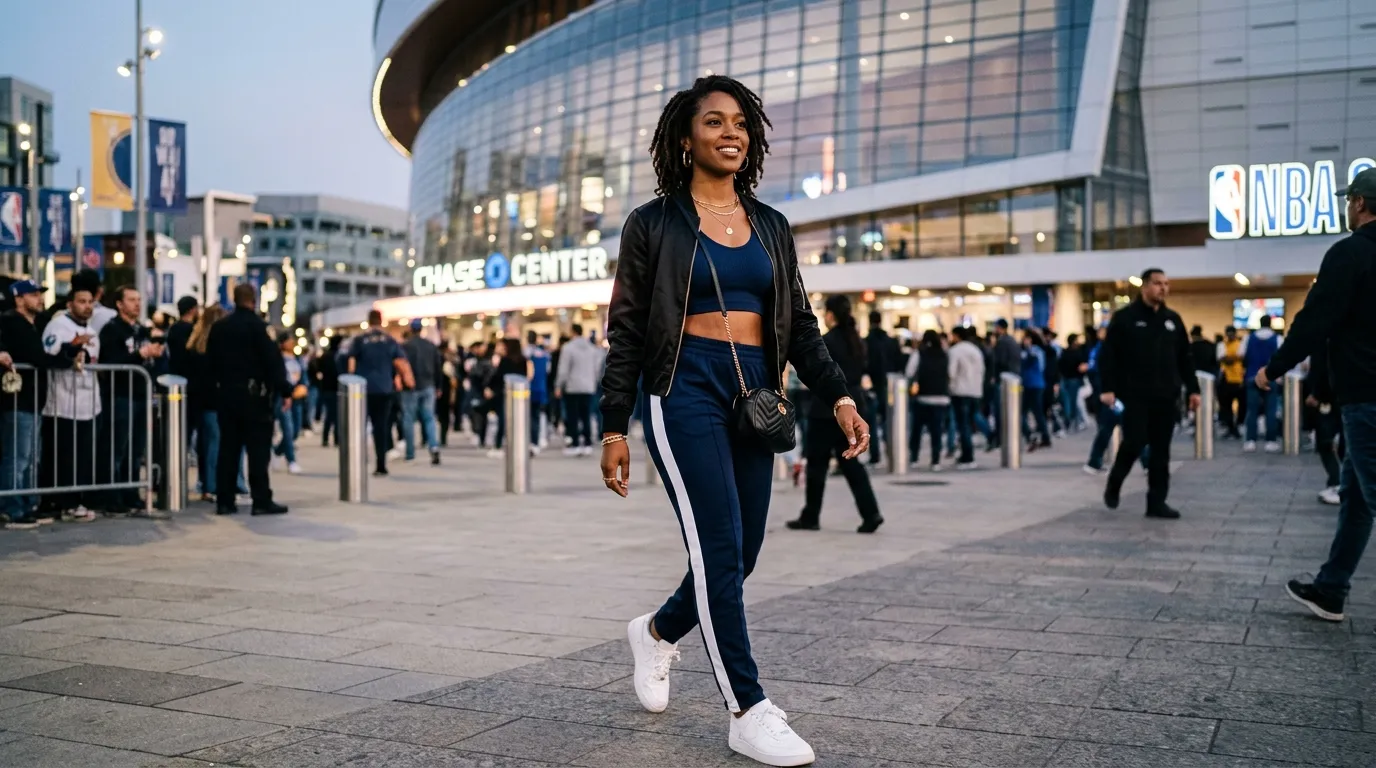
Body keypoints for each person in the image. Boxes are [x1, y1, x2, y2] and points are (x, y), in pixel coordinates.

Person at [597, 75, 866, 766]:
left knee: (742, 554)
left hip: (756, 392)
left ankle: (657, 632)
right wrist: (614, 425)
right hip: (682, 384)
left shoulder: (771, 226)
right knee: (719, 547)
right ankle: (747, 708)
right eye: (714, 122)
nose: (731, 133)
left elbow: (800, 324)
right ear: (685, 140)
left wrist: (837, 393)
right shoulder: (653, 224)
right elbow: (626, 332)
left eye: (741, 122)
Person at [1259, 167, 1376, 623]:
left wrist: (1275, 367)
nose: (1348, 207)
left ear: (1361, 203)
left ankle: (1332, 586)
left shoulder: (1350, 253)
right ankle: (1331, 588)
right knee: (1357, 495)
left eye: (1351, 200)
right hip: (1362, 394)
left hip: (1367, 393)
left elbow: (1316, 320)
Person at [1098, 268, 1201, 519]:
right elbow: (1108, 356)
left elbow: (1185, 358)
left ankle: (1156, 502)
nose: (1163, 288)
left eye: (1166, 283)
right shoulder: (1125, 318)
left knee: (1160, 450)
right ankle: (1115, 482)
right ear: (1144, 286)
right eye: (1157, 283)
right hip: (1135, 395)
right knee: (1134, 441)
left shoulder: (1173, 320)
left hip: (1166, 396)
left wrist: (1193, 389)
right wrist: (1108, 388)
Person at [791, 295, 884, 529]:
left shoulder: (827, 342)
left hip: (825, 409)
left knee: (817, 465)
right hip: (854, 407)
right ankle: (871, 513)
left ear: (830, 314)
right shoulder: (857, 341)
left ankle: (811, 515)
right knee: (852, 464)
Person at [208, 284, 289, 516]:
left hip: (227, 396)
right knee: (258, 451)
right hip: (255, 398)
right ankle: (261, 500)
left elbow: (211, 363)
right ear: (254, 300)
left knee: (228, 449)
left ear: (234, 299)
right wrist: (285, 390)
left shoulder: (219, 328)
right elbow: (273, 363)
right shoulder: (260, 328)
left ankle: (225, 500)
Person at [0, 280, 75, 528]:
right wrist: (65, 358)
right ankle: (12, 508)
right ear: (19, 299)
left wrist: (67, 352)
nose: (39, 299)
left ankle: (27, 503)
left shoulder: (37, 324)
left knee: (31, 456)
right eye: (33, 295)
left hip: (34, 399)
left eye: (40, 294)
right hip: (17, 399)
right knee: (18, 456)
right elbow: (37, 356)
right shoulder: (11, 322)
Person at [97, 286, 165, 516]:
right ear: (119, 303)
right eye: (131, 300)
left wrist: (154, 353)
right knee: (117, 447)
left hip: (141, 395)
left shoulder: (141, 330)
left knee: (136, 449)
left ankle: (130, 492)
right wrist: (141, 354)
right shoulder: (112, 330)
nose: (137, 304)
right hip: (120, 395)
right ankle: (112, 495)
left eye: (139, 299)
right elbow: (113, 360)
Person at [40, 285, 101, 522]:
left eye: (90, 302)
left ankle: (77, 499)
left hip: (88, 403)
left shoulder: (93, 330)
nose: (87, 306)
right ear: (70, 304)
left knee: (83, 456)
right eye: (81, 301)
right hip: (63, 403)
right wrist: (72, 346)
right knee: (61, 456)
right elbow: (51, 355)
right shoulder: (58, 326)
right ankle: (58, 501)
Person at [184, 305, 244, 502]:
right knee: (216, 445)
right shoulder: (217, 346)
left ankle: (207, 484)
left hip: (201, 401)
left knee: (207, 444)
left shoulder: (195, 345)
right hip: (216, 401)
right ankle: (214, 485)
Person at [348, 310, 414, 476]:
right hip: (384, 389)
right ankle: (381, 465)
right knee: (381, 427)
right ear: (381, 321)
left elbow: (351, 363)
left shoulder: (360, 340)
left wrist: (352, 379)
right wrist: (408, 381)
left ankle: (359, 460)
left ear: (368, 321)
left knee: (359, 426)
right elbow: (401, 363)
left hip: (362, 389)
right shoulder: (389, 340)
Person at [904, 329, 950, 471]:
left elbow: (909, 372)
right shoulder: (945, 355)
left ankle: (914, 458)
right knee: (936, 431)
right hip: (941, 397)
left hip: (923, 397)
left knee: (917, 429)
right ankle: (935, 460)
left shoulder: (919, 353)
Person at [401, 319, 443, 465]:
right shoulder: (430, 346)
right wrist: (439, 386)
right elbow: (438, 367)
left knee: (408, 419)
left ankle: (410, 453)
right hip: (429, 385)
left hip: (410, 387)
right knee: (429, 418)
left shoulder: (406, 347)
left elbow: (402, 367)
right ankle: (434, 447)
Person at [556, 324, 601, 456]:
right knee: (586, 415)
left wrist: (559, 385)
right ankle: (587, 443)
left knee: (573, 416)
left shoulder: (568, 348)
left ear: (572, 332)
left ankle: (575, 444)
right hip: (588, 387)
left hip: (572, 387)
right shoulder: (592, 349)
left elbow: (563, 370)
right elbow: (597, 369)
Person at [1242, 315, 1284, 453]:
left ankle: (1250, 441)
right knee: (1271, 410)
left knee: (1252, 410)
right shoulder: (1277, 338)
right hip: (1270, 377)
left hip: (1252, 377)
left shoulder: (1249, 338)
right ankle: (1270, 441)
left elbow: (1242, 354)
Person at [1308, 345, 1343, 506]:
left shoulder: (1324, 339)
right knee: (1348, 442)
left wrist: (1316, 393)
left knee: (1325, 442)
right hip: (1352, 397)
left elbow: (1319, 368)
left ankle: (1336, 483)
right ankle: (1345, 484)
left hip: (1328, 398)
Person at [948, 326, 988, 469]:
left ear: (957, 336)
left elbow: (951, 372)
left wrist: (949, 387)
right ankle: (967, 454)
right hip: (975, 391)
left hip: (960, 391)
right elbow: (982, 370)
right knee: (970, 424)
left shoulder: (955, 351)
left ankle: (967, 456)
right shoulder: (975, 350)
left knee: (963, 425)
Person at [486, 338, 527, 457]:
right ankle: (518, 445)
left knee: (503, 420)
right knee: (518, 420)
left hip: (505, 394)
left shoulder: (505, 360)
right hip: (520, 395)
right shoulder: (523, 360)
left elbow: (499, 377)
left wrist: (491, 388)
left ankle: (498, 445)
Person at [864, 311, 896, 465]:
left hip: (872, 386)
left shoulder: (867, 341)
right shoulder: (890, 341)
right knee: (890, 421)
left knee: (872, 424)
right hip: (891, 386)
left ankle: (875, 456)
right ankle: (894, 454)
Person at [270, 332, 304, 475]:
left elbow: (303, 375)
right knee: (288, 428)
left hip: (297, 395)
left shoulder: (297, 358)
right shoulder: (278, 359)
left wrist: (304, 386)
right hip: (283, 397)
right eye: (289, 341)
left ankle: (277, 450)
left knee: (296, 429)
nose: (292, 343)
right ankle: (291, 460)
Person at [988, 318, 1020, 449]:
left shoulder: (1002, 342)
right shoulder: (1013, 341)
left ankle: (1000, 438)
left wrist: (994, 377)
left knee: (1000, 410)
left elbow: (999, 361)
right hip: (1015, 379)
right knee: (1014, 409)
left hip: (1003, 380)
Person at [1020, 329, 1052, 450]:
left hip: (1033, 385)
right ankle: (1041, 436)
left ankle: (1033, 435)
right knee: (1035, 413)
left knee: (1033, 412)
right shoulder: (1036, 351)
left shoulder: (1035, 352)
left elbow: (1037, 365)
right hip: (1033, 384)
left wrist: (1028, 350)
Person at [1216, 326, 1245, 439]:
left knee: (1242, 405)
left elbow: (1240, 357)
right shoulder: (1222, 345)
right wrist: (1235, 358)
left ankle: (1238, 425)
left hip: (1239, 378)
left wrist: (1229, 358)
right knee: (1226, 405)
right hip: (1226, 378)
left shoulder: (1240, 344)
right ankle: (1230, 427)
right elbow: (1222, 359)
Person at [1057, 333, 1088, 432]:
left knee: (1068, 401)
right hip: (1074, 380)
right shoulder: (1078, 353)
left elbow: (1060, 365)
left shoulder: (1064, 352)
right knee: (1072, 402)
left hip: (1066, 379)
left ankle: (1069, 421)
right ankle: (1073, 421)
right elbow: (1082, 367)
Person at [527, 331, 551, 450]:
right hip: (541, 388)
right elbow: (548, 370)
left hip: (527, 389)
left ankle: (530, 440)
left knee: (529, 416)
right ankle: (539, 440)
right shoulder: (544, 354)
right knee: (539, 414)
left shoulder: (526, 353)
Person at [316, 336, 341, 446]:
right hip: (336, 388)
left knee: (329, 415)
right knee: (335, 416)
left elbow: (318, 369)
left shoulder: (324, 356)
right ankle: (336, 438)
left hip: (326, 388)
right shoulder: (338, 356)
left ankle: (326, 438)